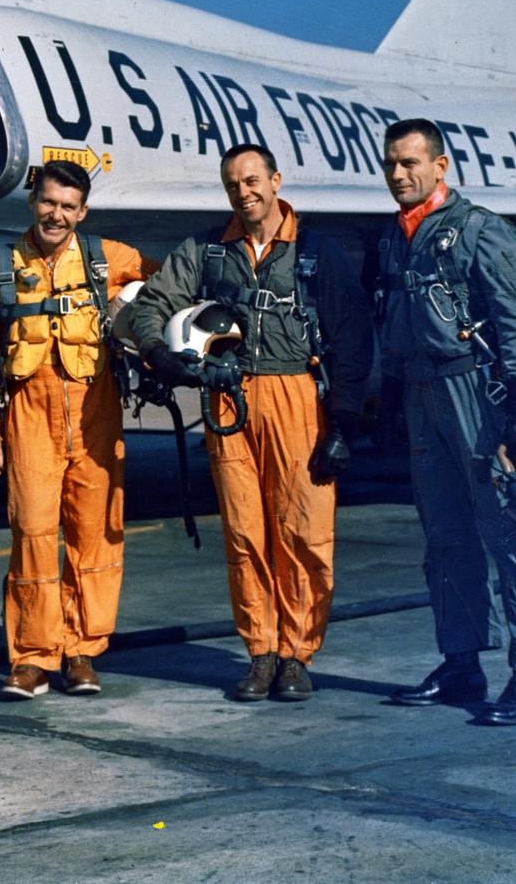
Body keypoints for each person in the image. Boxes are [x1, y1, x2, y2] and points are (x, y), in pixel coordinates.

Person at [129, 144, 373, 702]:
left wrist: (343, 424)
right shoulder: (207, 251)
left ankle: (297, 655)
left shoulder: (315, 253)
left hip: (297, 399)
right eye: (234, 183)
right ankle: (261, 654)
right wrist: (158, 351)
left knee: (305, 534)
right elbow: (150, 304)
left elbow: (355, 339)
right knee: (245, 535)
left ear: (276, 181)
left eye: (254, 180)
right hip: (230, 401)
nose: (245, 192)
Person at [377, 119, 516, 725]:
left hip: (477, 396)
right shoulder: (396, 238)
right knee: (445, 539)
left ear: (440, 166)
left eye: (410, 163)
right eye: (391, 165)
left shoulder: (482, 232)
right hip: (422, 395)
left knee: (509, 536)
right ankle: (461, 663)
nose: (399, 175)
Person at [0, 159, 156, 699]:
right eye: (49, 202)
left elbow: (170, 281)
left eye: (68, 206)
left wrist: (145, 327)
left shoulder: (109, 259)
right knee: (31, 532)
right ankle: (31, 658)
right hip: (30, 416)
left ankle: (81, 652)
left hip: (96, 414)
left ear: (83, 211)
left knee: (92, 537)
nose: (57, 214)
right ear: (33, 202)